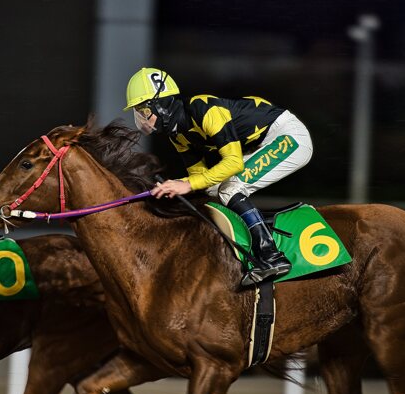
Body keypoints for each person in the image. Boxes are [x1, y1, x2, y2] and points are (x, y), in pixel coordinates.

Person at [124, 68, 314, 287]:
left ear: (161, 104)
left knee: (230, 188)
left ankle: (271, 255)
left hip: (288, 136)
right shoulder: (178, 135)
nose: (140, 118)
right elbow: (199, 176)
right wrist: (174, 187)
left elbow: (233, 163)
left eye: (143, 110)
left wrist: (185, 184)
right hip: (263, 141)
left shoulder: (203, 108)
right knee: (213, 190)